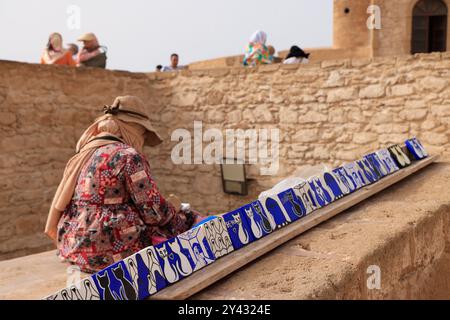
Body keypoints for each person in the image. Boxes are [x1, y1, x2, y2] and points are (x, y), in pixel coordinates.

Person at [45, 96, 205, 273]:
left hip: (76, 250)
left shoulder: (85, 154)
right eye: (143, 133)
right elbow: (154, 213)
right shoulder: (128, 155)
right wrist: (176, 208)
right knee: (185, 219)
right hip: (113, 250)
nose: (142, 140)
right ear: (132, 128)